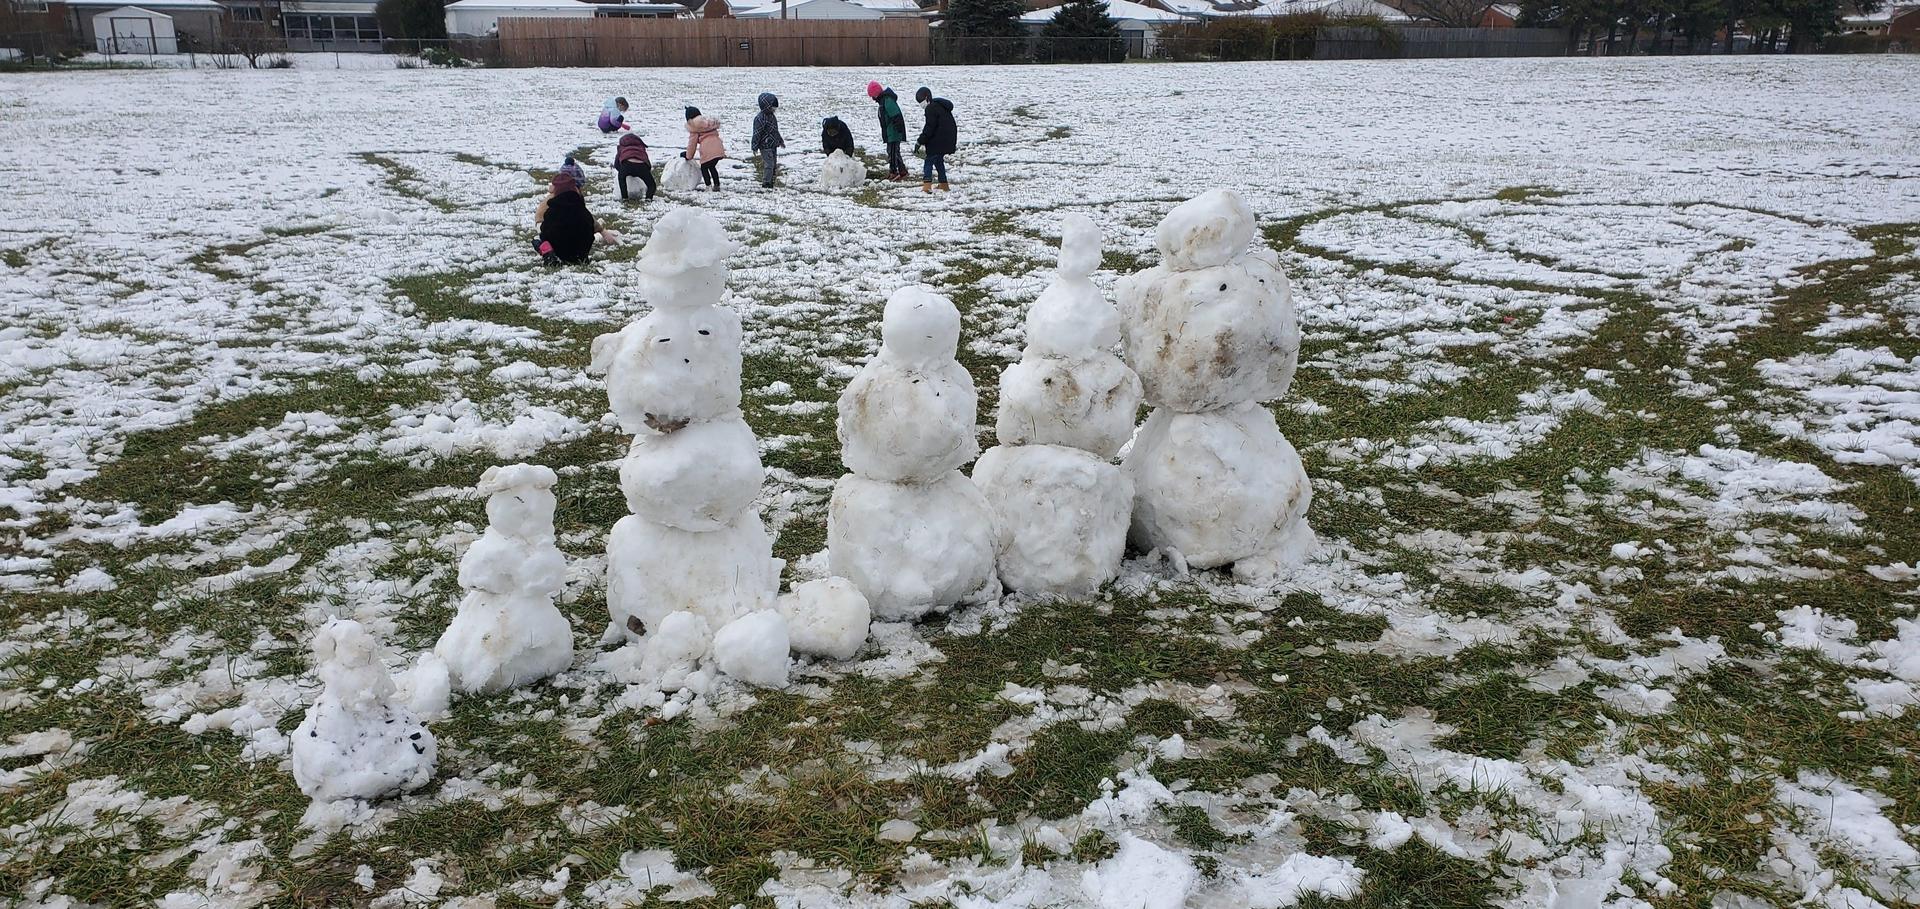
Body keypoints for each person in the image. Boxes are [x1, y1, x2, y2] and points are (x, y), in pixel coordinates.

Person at [534, 172, 611, 265]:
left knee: (537, 240)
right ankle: (580, 257)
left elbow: (544, 232)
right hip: (581, 253)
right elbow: (591, 224)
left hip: (560, 253)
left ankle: (549, 254)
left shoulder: (552, 211)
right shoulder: (582, 209)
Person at [913, 86, 957, 193]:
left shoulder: (931, 109)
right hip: (947, 140)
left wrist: (920, 141)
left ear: (927, 98)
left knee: (928, 161)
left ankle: (927, 186)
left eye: (921, 101)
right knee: (938, 161)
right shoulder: (940, 106)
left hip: (938, 141)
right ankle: (944, 184)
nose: (921, 104)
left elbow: (929, 128)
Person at [867, 81, 908, 182]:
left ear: (876, 94)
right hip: (890, 133)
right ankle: (902, 171)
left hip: (893, 133)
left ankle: (893, 172)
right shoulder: (883, 101)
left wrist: (898, 130)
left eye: (872, 96)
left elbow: (895, 115)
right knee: (894, 152)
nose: (872, 99)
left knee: (892, 153)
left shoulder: (887, 100)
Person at [683, 106, 727, 192]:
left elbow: (692, 145)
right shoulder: (708, 122)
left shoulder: (694, 127)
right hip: (719, 148)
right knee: (711, 166)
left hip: (708, 150)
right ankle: (717, 185)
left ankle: (708, 186)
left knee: (704, 167)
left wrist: (688, 156)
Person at [751, 92, 785, 189]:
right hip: (765, 146)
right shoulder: (759, 119)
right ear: (766, 106)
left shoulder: (772, 116)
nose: (774, 110)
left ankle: (771, 181)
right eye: (772, 107)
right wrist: (754, 146)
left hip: (773, 145)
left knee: (773, 164)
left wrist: (780, 140)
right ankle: (766, 183)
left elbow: (775, 130)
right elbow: (756, 133)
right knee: (769, 164)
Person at [614, 132, 654, 202]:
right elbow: (646, 159)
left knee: (621, 179)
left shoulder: (621, 146)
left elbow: (617, 162)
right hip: (641, 166)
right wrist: (647, 171)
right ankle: (648, 198)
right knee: (652, 185)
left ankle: (625, 198)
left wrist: (621, 171)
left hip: (627, 164)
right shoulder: (641, 146)